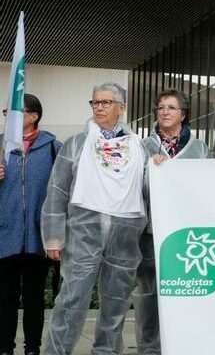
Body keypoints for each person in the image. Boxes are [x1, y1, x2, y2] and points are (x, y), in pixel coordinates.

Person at [41, 82, 149, 355]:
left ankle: (106, 351)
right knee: (72, 299)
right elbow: (56, 191)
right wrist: (53, 236)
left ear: (121, 107)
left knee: (117, 302)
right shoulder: (76, 144)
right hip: (82, 235)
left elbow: (148, 191)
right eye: (95, 102)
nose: (99, 107)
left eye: (106, 102)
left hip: (125, 236)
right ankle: (56, 351)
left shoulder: (140, 147)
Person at [135, 90, 210, 355]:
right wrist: (150, 171)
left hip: (184, 236)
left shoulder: (199, 148)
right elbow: (131, 187)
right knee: (148, 296)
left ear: (183, 114)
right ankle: (148, 349)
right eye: (160, 107)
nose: (164, 112)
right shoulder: (142, 146)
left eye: (171, 107)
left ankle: (182, 346)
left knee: (183, 293)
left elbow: (207, 189)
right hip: (149, 233)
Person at [0, 94, 61, 355]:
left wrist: (58, 235)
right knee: (4, 298)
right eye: (6, 113)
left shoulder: (53, 148)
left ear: (34, 116)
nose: (8, 118)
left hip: (40, 236)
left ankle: (33, 348)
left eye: (15, 112)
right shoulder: (1, 146)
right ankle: (4, 347)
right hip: (5, 235)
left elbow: (64, 193)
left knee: (35, 298)